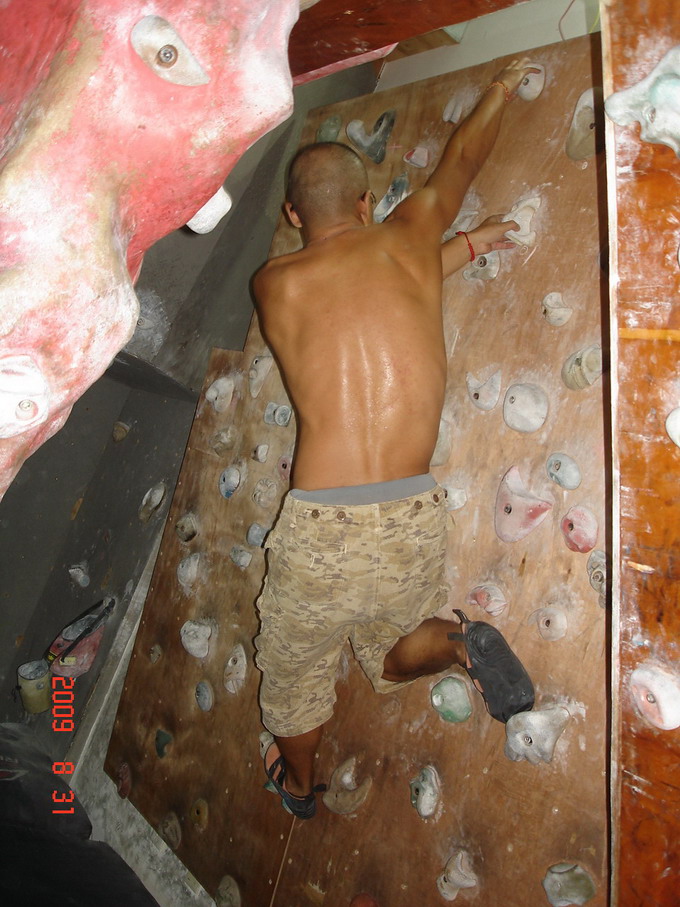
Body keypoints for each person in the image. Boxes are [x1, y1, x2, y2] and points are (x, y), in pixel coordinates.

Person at [252, 59, 537, 820]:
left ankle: (299, 786)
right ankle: (456, 645)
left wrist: (463, 248)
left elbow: (355, 291)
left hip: (323, 525)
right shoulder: (407, 238)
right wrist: (501, 89)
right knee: (390, 650)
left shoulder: (273, 285)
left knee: (294, 677)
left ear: (292, 214)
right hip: (411, 510)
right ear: (368, 202)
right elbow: (461, 161)